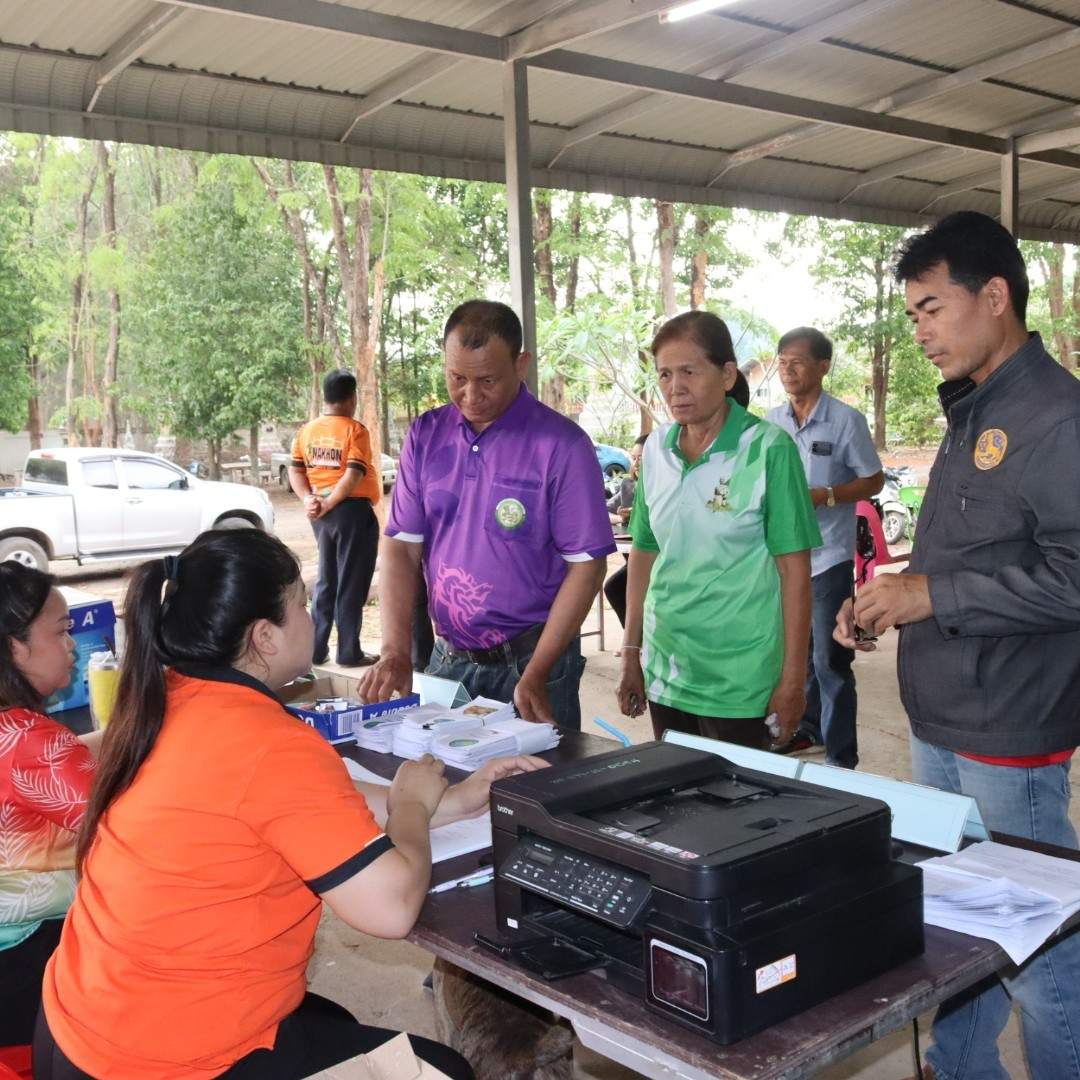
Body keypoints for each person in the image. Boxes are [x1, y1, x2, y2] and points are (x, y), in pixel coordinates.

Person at [37, 530, 544, 1079]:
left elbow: (311, 807)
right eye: (301, 604)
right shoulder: (270, 743)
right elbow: (391, 908)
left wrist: (456, 799)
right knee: (445, 1069)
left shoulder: (169, 699)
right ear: (264, 637)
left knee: (333, 1019)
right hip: (165, 1060)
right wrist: (411, 812)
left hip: (78, 1028)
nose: (311, 616)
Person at [836, 210, 1080, 1080]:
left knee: (1040, 950)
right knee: (966, 927)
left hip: (1008, 730)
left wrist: (932, 594)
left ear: (998, 296)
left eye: (934, 307)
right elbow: (963, 553)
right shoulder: (973, 408)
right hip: (943, 717)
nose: (923, 330)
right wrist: (885, 598)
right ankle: (959, 1066)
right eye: (912, 314)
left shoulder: (1056, 417)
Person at [359, 300, 615, 730]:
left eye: (488, 380)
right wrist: (395, 651)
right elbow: (401, 548)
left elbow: (587, 568)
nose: (470, 396)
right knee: (446, 787)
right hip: (449, 661)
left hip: (534, 663)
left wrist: (537, 672)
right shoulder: (426, 436)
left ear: (521, 365)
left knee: (536, 790)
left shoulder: (561, 446)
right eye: (456, 378)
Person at [616, 310, 820, 748]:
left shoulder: (768, 449)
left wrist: (792, 681)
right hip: (668, 667)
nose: (675, 387)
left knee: (738, 807)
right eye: (665, 374)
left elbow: (795, 574)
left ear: (728, 375)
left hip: (741, 678)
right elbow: (644, 555)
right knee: (674, 800)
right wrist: (631, 654)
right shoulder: (656, 451)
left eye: (689, 371)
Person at [765, 327, 883, 768]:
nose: (788, 370)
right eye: (781, 361)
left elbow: (873, 479)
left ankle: (841, 757)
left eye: (796, 361)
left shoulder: (845, 420)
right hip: (780, 560)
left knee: (830, 659)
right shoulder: (771, 422)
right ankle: (806, 731)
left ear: (822, 366)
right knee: (793, 653)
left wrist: (827, 495)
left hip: (827, 556)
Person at [0, 562, 100, 1047]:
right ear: (14, 645)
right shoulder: (27, 739)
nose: (73, 646)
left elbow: (64, 762)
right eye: (61, 631)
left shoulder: (18, 735)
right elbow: (126, 827)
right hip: (22, 967)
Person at [289, 369, 380, 667]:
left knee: (328, 579)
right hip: (351, 512)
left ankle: (316, 649)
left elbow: (296, 470)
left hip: (321, 516)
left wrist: (310, 501)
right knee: (352, 581)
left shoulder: (307, 431)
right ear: (352, 398)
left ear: (326, 397)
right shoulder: (355, 430)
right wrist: (329, 503)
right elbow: (353, 475)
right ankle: (349, 651)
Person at [603, 435, 647, 629]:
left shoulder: (664, 484)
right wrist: (621, 518)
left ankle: (638, 641)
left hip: (654, 557)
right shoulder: (629, 485)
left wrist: (638, 515)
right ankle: (634, 640)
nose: (636, 463)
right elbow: (602, 510)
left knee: (615, 586)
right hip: (631, 555)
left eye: (642, 458)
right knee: (615, 587)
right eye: (633, 457)